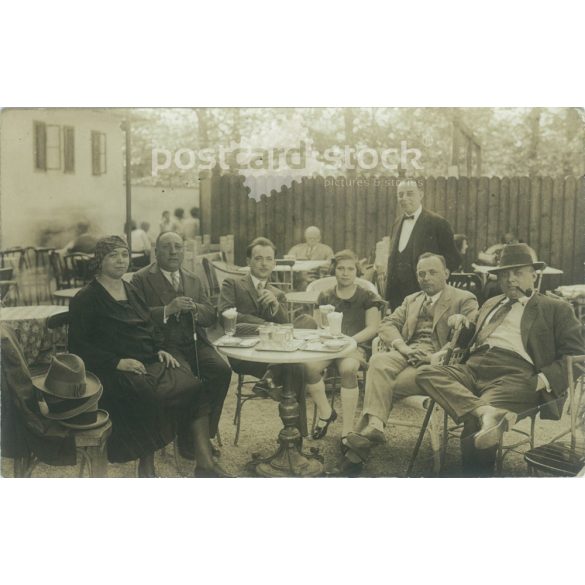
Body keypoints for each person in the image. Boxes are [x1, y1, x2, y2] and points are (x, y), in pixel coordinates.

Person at [68, 235, 233, 477]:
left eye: (124, 255)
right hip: (112, 370)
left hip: (147, 360)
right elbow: (78, 346)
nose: (120, 261)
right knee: (149, 394)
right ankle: (147, 467)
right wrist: (117, 362)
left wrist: (160, 349)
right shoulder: (87, 298)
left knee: (193, 386)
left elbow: (147, 325)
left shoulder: (130, 290)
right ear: (100, 260)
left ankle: (204, 464)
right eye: (113, 255)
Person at [416, 243, 584, 476]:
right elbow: (473, 339)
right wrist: (464, 326)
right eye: (504, 274)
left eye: (518, 273)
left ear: (533, 275)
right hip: (473, 367)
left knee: (474, 425)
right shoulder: (491, 303)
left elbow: (578, 357)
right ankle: (485, 412)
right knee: (425, 373)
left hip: (515, 375)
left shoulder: (555, 308)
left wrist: (542, 380)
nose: (510, 280)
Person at [342, 253, 479, 472]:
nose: (426, 278)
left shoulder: (463, 298)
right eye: (421, 274)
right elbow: (386, 324)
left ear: (446, 273)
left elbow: (471, 333)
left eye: (432, 272)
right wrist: (403, 347)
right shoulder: (412, 299)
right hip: (407, 354)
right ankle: (375, 427)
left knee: (385, 385)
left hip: (435, 363)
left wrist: (443, 348)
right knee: (377, 360)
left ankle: (357, 447)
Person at [131, 231, 231, 457]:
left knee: (222, 371)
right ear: (156, 252)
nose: (173, 251)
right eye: (167, 247)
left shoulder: (193, 278)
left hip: (195, 342)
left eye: (178, 246)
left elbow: (210, 315)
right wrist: (168, 309)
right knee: (189, 382)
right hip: (164, 347)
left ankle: (203, 435)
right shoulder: (141, 278)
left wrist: (196, 309)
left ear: (184, 251)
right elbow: (136, 317)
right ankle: (188, 439)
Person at [303, 250, 384, 445]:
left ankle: (347, 431)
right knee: (308, 368)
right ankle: (326, 412)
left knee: (348, 369)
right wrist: (326, 335)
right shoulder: (325, 296)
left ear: (356, 271)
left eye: (350, 269)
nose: (345, 273)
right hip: (329, 345)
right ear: (334, 270)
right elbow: (317, 325)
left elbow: (373, 327)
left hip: (355, 345)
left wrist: (350, 341)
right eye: (341, 268)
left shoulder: (367, 296)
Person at [217, 237, 289, 397]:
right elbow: (226, 315)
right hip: (245, 353)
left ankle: (270, 380)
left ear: (274, 264)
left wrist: (276, 305)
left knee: (297, 366)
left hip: (273, 352)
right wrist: (266, 325)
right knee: (295, 368)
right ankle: (275, 383)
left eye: (269, 259)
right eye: (258, 258)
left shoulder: (278, 294)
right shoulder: (233, 284)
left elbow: (287, 327)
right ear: (248, 261)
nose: (264, 264)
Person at [384, 178, 460, 311]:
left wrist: (434, 282)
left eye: (409, 193)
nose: (404, 198)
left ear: (421, 194)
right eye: (400, 194)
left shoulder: (438, 223)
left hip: (425, 295)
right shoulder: (396, 223)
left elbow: (454, 259)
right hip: (398, 296)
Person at [288, 226, 334, 291]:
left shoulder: (327, 250)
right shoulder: (296, 249)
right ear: (305, 237)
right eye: (309, 238)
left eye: (315, 238)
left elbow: (331, 266)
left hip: (319, 279)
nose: (312, 240)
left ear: (319, 238)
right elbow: (289, 262)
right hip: (300, 280)